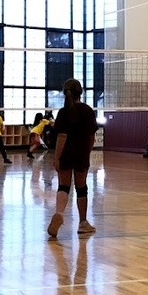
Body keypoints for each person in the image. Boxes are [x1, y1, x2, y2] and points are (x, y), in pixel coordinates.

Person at [47, 78, 99, 238]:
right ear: (80, 93)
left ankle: (60, 213)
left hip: (66, 153)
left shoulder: (63, 112)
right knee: (81, 187)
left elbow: (62, 136)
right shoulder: (88, 110)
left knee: (63, 186)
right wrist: (87, 153)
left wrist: (57, 157)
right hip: (81, 153)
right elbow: (91, 136)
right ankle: (83, 222)